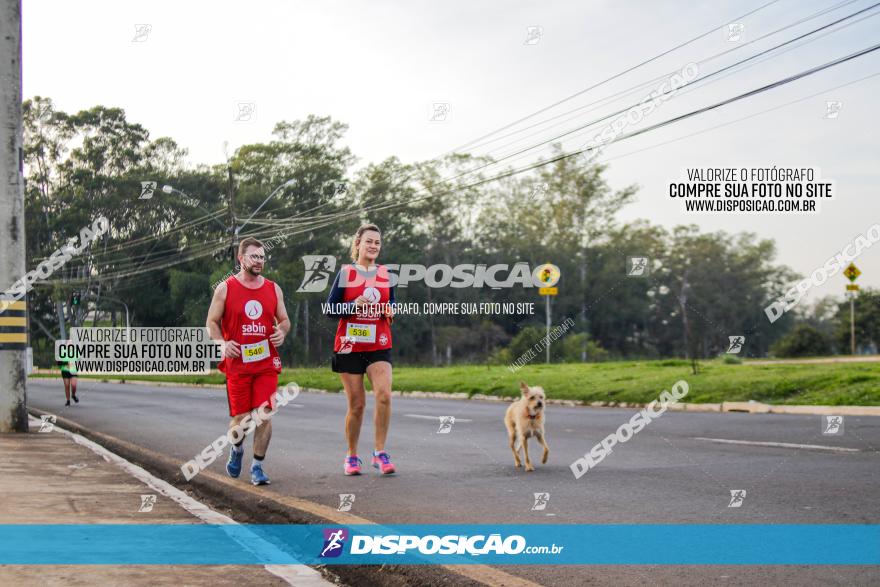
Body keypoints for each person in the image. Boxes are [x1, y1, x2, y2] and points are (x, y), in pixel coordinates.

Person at [206, 237, 290, 485]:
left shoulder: (273, 289)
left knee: (265, 413)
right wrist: (222, 343)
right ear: (241, 259)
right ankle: (237, 449)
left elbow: (284, 320)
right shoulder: (225, 288)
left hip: (265, 363)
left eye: (262, 257)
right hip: (238, 364)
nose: (259, 261)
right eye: (254, 256)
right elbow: (211, 322)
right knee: (241, 419)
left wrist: (281, 332)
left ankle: (257, 467)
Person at [324, 223, 396, 476]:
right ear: (358, 244)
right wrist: (353, 305)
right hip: (349, 346)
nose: (374, 246)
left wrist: (390, 312)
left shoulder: (387, 274)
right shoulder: (346, 274)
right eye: (369, 241)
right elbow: (330, 309)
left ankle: (380, 452)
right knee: (357, 405)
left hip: (378, 344)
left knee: (385, 395)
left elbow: (392, 305)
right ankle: (352, 456)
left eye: (377, 242)